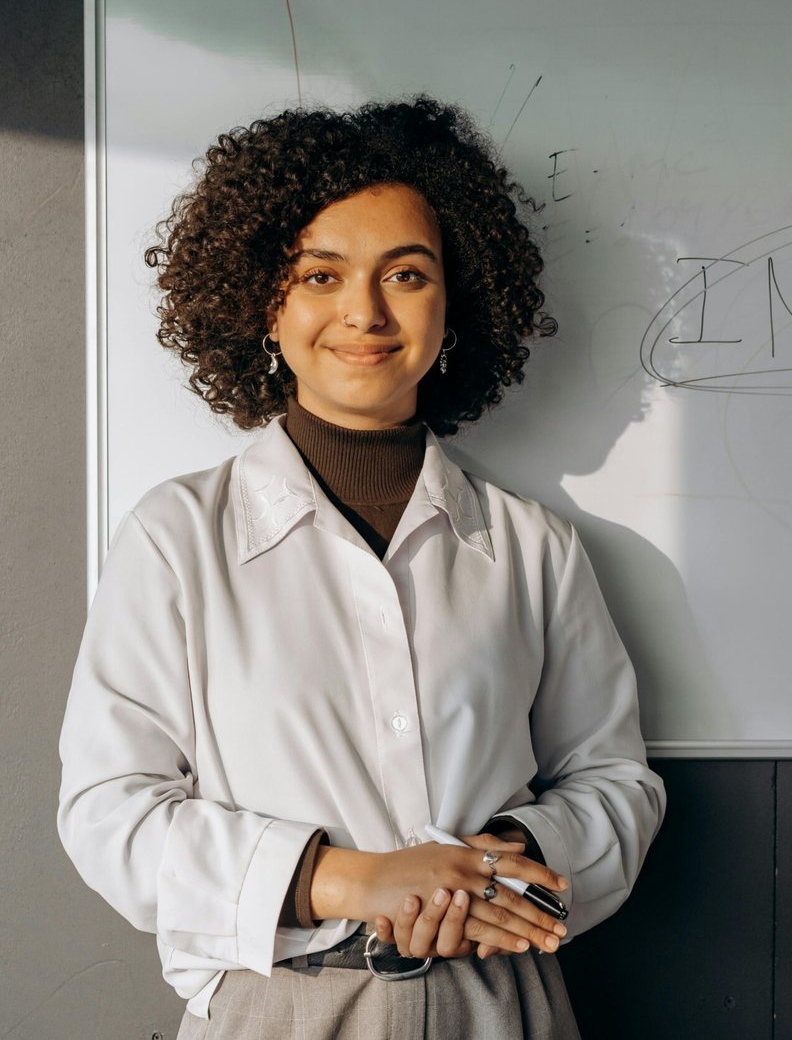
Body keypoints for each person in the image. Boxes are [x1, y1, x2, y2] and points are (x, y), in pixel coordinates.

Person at [57, 97, 666, 1039]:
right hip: (278, 1005)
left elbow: (615, 779)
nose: (365, 312)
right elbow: (110, 810)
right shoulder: (176, 536)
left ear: (455, 301)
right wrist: (351, 879)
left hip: (498, 998)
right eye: (321, 274)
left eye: (407, 274)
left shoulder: (532, 546)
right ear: (267, 300)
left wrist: (500, 865)